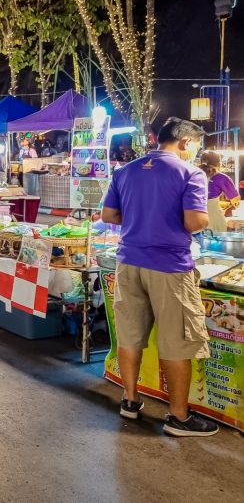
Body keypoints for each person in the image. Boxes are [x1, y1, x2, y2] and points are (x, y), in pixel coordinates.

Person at [101, 117, 218, 437]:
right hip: (169, 268)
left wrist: (141, 218)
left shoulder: (125, 171)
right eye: (196, 146)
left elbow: (108, 215)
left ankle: (129, 400)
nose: (195, 153)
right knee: (177, 341)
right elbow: (195, 221)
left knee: (129, 336)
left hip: (128, 264)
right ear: (184, 142)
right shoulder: (189, 172)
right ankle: (179, 417)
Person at [200, 151, 240, 233]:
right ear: (218, 163)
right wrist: (226, 209)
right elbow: (236, 199)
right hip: (213, 216)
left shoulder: (192, 175)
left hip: (194, 215)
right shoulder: (221, 177)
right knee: (215, 242)